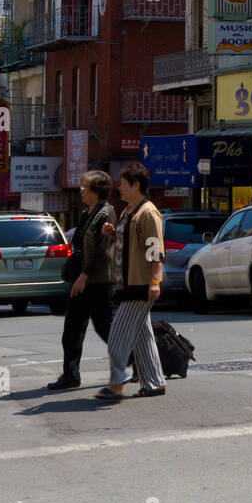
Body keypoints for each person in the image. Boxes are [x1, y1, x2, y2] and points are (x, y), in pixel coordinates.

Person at [95, 162, 166, 401]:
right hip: (127, 282)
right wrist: (112, 233)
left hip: (140, 284)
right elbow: (130, 247)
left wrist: (155, 281)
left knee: (118, 334)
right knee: (142, 337)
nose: (119, 188)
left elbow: (154, 249)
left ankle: (117, 380)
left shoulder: (148, 212)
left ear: (136, 185)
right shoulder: (129, 211)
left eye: (123, 184)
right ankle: (154, 382)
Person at [47, 170, 116, 391]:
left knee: (105, 328)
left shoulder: (106, 213)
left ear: (97, 190)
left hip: (98, 281)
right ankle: (70, 375)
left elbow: (102, 251)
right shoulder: (88, 212)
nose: (81, 190)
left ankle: (137, 361)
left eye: (85, 186)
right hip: (82, 281)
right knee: (72, 329)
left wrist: (84, 276)